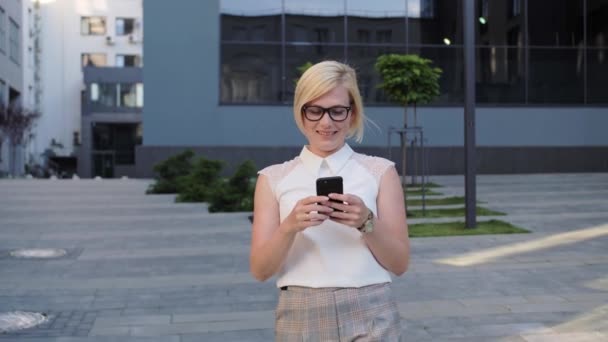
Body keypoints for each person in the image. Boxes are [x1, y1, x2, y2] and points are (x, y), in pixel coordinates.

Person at [250, 60, 410, 341]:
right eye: (315, 110)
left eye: (337, 111)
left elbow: (399, 264)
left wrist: (366, 222)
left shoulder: (380, 172)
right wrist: (289, 227)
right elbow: (261, 270)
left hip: (371, 306)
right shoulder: (273, 178)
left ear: (352, 114)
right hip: (300, 311)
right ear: (301, 113)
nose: (326, 122)